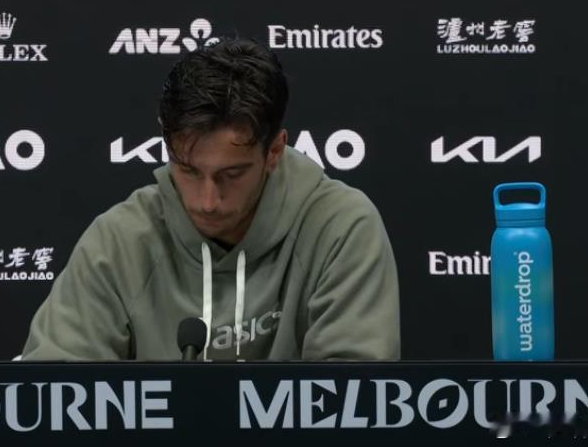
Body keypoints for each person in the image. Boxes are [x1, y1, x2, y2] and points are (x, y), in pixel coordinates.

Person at [22, 37, 400, 361]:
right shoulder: (118, 241)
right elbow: (56, 396)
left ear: (274, 151)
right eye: (188, 170)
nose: (207, 201)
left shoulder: (341, 228)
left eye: (231, 175)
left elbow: (352, 403)